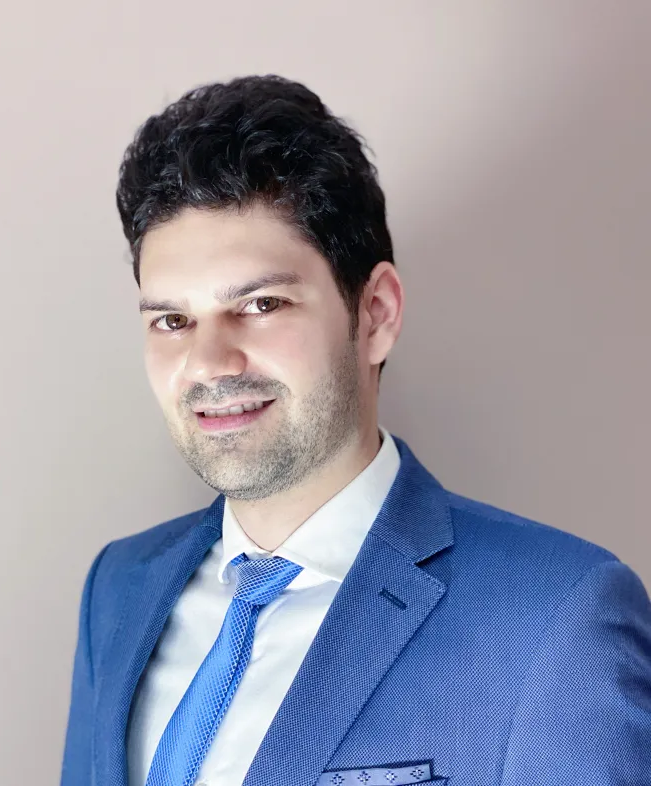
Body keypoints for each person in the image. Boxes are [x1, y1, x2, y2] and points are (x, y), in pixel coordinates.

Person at [60, 74, 651, 786]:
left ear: (375, 314)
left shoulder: (557, 621)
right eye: (171, 321)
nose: (208, 362)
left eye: (261, 304)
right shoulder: (118, 591)